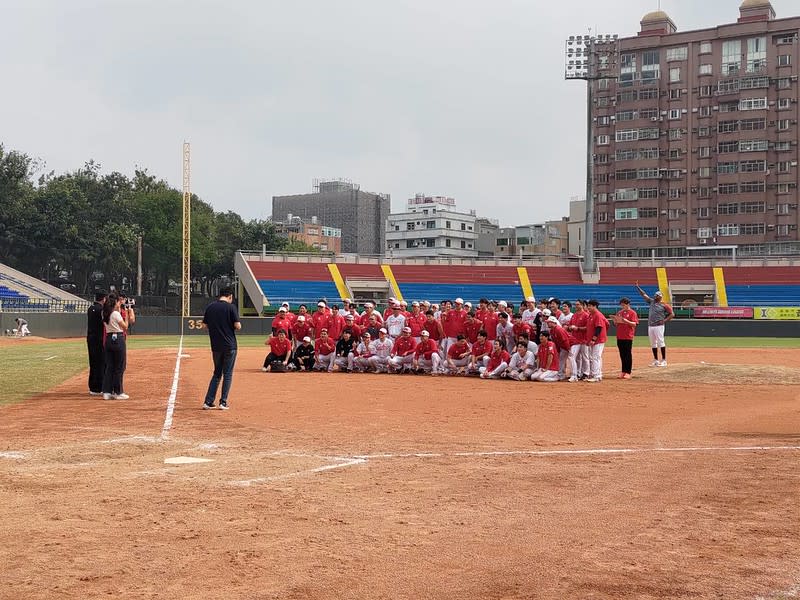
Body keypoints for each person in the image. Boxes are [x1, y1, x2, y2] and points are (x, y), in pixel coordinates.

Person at [201, 286, 241, 409]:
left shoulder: (211, 307)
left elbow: (203, 326)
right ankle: (223, 402)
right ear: (230, 296)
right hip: (230, 345)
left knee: (217, 373)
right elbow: (238, 326)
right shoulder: (231, 307)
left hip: (216, 346)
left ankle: (208, 401)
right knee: (227, 374)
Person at [636, 283, 674, 367]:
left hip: (659, 326)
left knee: (661, 342)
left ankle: (664, 360)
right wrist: (638, 287)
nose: (655, 296)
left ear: (660, 297)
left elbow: (672, 314)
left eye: (657, 296)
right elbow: (644, 295)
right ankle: (656, 360)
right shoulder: (652, 302)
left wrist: (664, 320)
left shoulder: (664, 305)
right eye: (655, 295)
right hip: (651, 326)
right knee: (653, 343)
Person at [101, 293, 129, 400]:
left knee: (109, 366)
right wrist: (125, 315)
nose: (119, 303)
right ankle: (118, 392)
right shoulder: (116, 314)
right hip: (118, 338)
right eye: (118, 302)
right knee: (119, 366)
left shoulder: (104, 313)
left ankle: (107, 391)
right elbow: (125, 326)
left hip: (108, 339)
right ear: (115, 303)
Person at [613, 297, 640, 379]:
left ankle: (628, 372)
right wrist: (615, 321)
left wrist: (626, 321)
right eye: (621, 305)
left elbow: (634, 324)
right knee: (622, 354)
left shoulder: (632, 313)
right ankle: (623, 371)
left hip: (628, 336)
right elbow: (616, 324)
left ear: (628, 304)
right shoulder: (620, 312)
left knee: (627, 354)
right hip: (620, 335)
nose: (622, 306)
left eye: (623, 305)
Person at [86, 291, 107, 396]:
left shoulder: (90, 309)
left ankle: (93, 386)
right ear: (103, 299)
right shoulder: (101, 310)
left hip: (91, 338)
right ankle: (99, 387)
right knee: (100, 363)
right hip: (99, 339)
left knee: (93, 362)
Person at [585, 299, 608, 383]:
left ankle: (597, 376)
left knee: (596, 357)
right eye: (588, 306)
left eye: (590, 306)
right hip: (593, 340)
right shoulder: (591, 315)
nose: (588, 307)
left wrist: (594, 339)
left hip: (597, 340)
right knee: (594, 357)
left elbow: (599, 327)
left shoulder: (598, 315)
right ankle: (597, 374)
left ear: (595, 306)